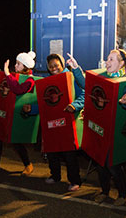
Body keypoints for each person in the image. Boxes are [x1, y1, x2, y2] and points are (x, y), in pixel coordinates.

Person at [67, 49, 126, 206]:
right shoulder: (104, 78)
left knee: (111, 165)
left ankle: (123, 194)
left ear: (122, 63)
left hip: (115, 132)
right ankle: (104, 191)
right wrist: (76, 68)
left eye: (111, 59)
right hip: (99, 129)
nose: (107, 62)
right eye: (107, 59)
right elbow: (86, 84)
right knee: (99, 161)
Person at [22, 53, 84, 191]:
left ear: (62, 65)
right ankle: (55, 176)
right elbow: (45, 103)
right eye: (50, 66)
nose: (54, 68)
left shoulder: (71, 77)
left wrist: (75, 105)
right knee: (52, 151)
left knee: (69, 154)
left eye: (56, 65)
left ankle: (75, 180)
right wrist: (31, 109)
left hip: (68, 121)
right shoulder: (48, 81)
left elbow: (84, 94)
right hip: (52, 122)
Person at [0, 51, 36, 176]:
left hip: (17, 116)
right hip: (6, 112)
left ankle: (28, 165)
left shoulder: (30, 80)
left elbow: (17, 90)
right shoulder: (15, 76)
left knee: (16, 141)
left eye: (18, 64)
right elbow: (6, 94)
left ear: (26, 66)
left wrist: (7, 74)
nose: (15, 66)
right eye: (16, 63)